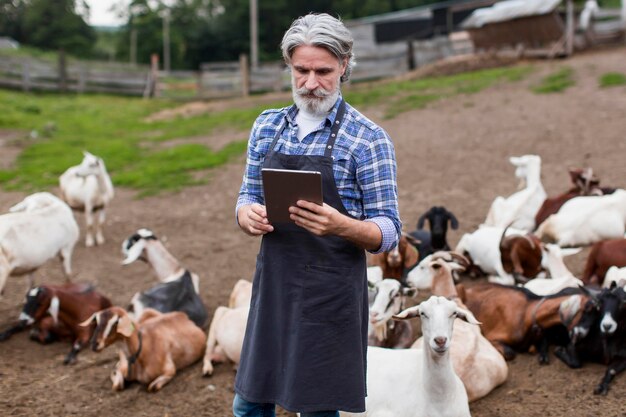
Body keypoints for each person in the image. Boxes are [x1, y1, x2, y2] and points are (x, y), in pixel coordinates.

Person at [233, 13, 401, 417]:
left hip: (330, 296)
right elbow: (246, 194)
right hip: (275, 285)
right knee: (249, 405)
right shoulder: (267, 126)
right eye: (301, 70)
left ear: (344, 66)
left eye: (323, 71)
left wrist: (341, 225)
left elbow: (390, 229)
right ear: (289, 66)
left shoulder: (367, 139)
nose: (310, 83)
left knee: (318, 409)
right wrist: (245, 215)